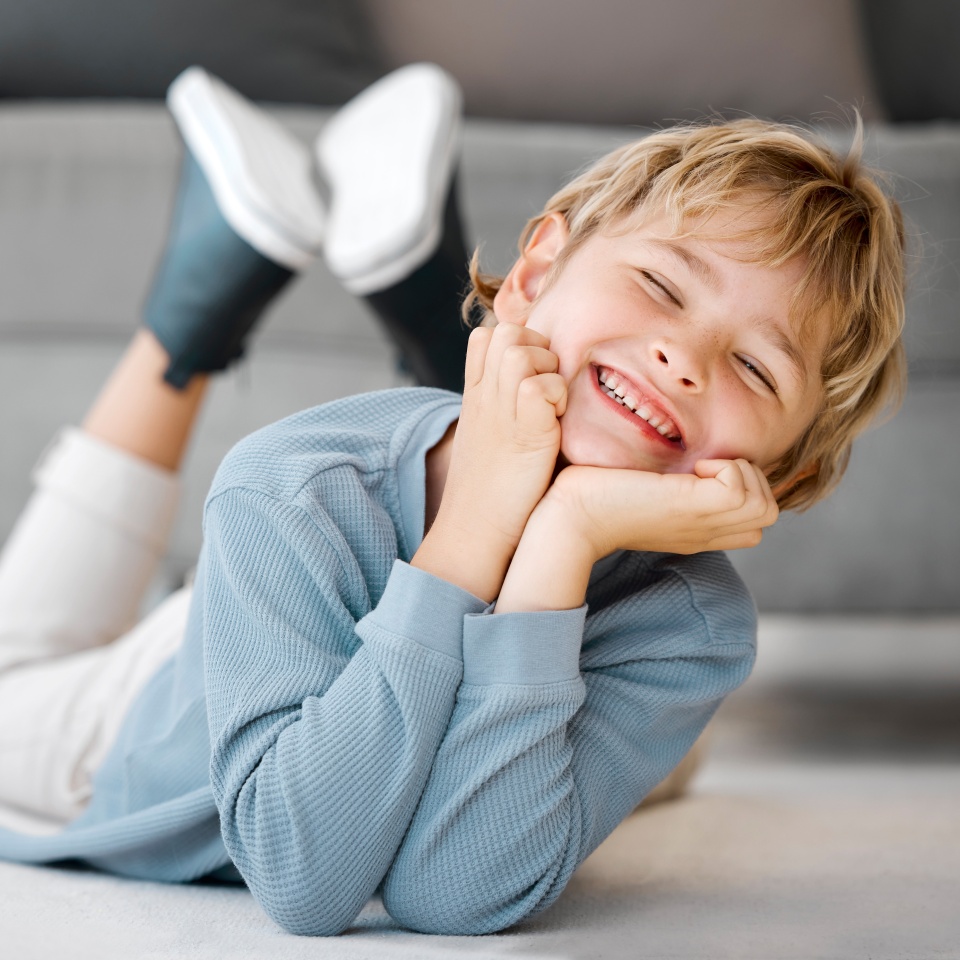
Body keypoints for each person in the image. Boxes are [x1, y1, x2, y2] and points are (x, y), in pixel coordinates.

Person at [0, 64, 906, 936]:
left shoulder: (694, 631)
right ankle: (193, 311)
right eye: (661, 285)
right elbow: (301, 873)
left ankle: (382, 310)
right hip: (136, 706)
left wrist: (563, 536)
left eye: (755, 367)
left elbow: (453, 893)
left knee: (652, 763)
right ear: (533, 273)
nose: (685, 359)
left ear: (783, 477)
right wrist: (475, 528)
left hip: (345, 611)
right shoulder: (295, 484)